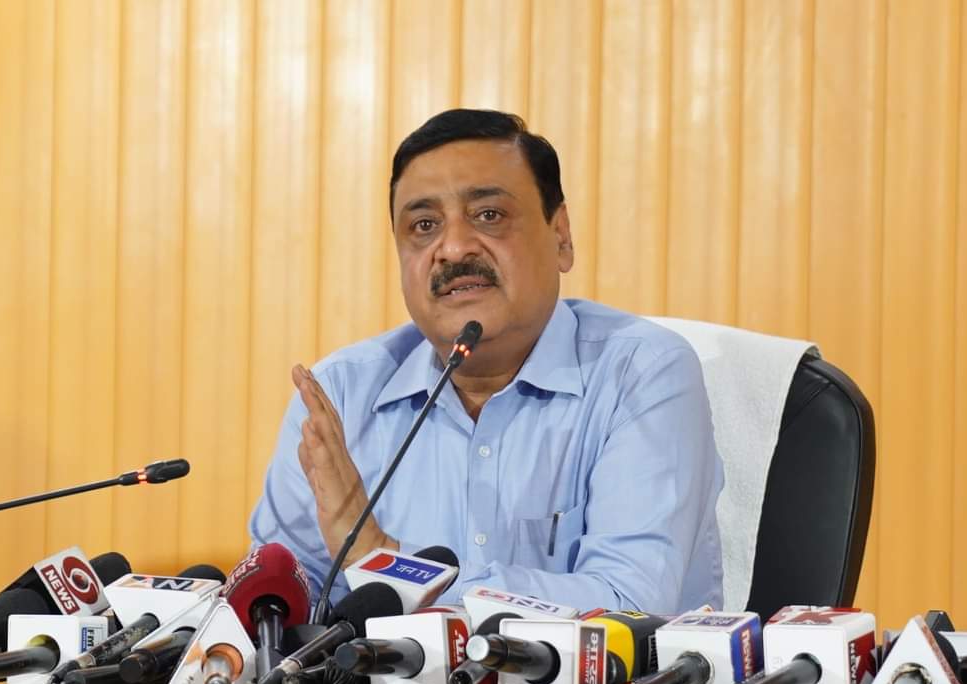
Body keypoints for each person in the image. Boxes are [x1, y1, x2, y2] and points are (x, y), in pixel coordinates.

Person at [248, 109, 723, 614]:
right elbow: (274, 607)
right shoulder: (339, 398)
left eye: (489, 215)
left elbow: (630, 605)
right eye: (424, 225)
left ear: (561, 236)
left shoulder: (642, 374)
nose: (453, 248)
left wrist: (382, 562)